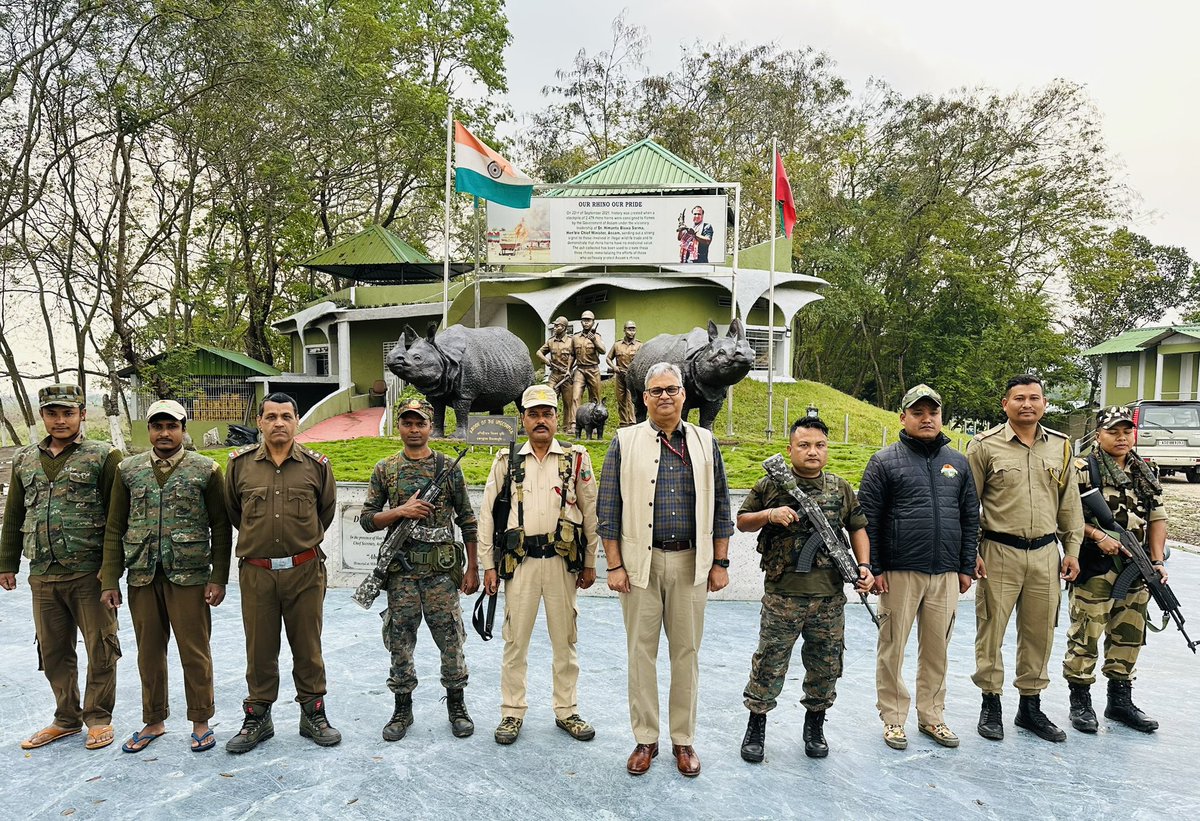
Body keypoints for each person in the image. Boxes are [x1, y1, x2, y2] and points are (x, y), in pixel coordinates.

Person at [598, 362, 734, 777]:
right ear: (644, 398)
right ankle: (645, 739)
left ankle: (683, 740)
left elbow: (722, 505)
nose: (664, 397)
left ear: (684, 395)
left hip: (692, 563)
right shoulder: (624, 442)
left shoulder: (705, 442)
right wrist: (615, 565)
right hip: (640, 565)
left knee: (686, 654)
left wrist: (721, 561)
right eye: (655, 391)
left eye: (671, 390)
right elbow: (608, 510)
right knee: (641, 653)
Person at [735, 416, 873, 762]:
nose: (813, 452)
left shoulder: (839, 487)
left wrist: (865, 567)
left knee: (826, 665)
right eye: (804, 445)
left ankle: (815, 726)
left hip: (828, 599)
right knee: (770, 662)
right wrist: (770, 514)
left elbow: (857, 528)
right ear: (790, 449)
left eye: (820, 445)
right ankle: (756, 726)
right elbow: (742, 521)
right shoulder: (771, 484)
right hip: (783, 596)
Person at [100, 399, 232, 753]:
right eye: (157, 426)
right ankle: (153, 721)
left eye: (172, 426)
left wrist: (218, 577)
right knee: (149, 652)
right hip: (142, 574)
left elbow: (221, 527)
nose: (164, 433)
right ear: (149, 431)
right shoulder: (128, 470)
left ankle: (201, 720)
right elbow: (114, 527)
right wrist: (110, 579)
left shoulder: (205, 470)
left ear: (183, 429)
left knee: (194, 650)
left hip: (188, 576)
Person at [0, 384, 123, 751]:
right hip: (43, 572)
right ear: (42, 416)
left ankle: (98, 717)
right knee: (53, 650)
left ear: (82, 414)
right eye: (52, 413)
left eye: (68, 413)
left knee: (101, 647)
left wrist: (111, 571)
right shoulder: (24, 460)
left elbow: (117, 518)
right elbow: (14, 515)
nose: (60, 420)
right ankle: (65, 717)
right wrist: (6, 562)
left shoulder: (104, 456)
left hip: (90, 572)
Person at [477, 384, 600, 745]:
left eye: (547, 413)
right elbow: (486, 514)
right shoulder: (507, 459)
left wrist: (591, 561)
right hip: (521, 564)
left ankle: (567, 710)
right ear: (524, 420)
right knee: (515, 641)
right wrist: (488, 565)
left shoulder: (576, 458)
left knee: (566, 641)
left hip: (563, 563)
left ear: (556, 418)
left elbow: (591, 513)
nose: (541, 420)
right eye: (534, 414)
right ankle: (512, 712)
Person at [857, 385, 978, 751]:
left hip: (944, 573)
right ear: (903, 417)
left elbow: (970, 516)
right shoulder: (884, 461)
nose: (927, 419)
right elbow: (867, 520)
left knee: (937, 649)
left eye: (933, 413)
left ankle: (932, 716)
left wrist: (965, 566)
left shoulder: (957, 462)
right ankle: (893, 719)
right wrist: (874, 568)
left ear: (941, 417)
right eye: (918, 412)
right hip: (898, 573)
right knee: (892, 647)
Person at [967, 374, 1083, 743]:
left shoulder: (1061, 447)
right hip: (999, 551)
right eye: (1019, 398)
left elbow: (1069, 504)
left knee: (1039, 633)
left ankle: (1030, 707)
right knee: (992, 631)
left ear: (1045, 404)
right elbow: (968, 506)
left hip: (1046, 554)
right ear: (1005, 404)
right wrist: (971, 551)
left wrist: (1072, 551)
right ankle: (991, 703)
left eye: (1035, 397)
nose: (1027, 404)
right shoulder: (984, 447)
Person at [224, 392, 340, 752]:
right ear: (259, 422)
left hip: (304, 571)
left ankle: (313, 714)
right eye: (270, 416)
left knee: (308, 647)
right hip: (257, 573)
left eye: (286, 416)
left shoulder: (317, 466)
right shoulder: (239, 466)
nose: (278, 423)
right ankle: (258, 716)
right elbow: (233, 513)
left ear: (296, 421)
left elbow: (326, 512)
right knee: (259, 649)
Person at [359, 398, 479, 742]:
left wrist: (472, 568)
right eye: (407, 423)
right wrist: (401, 512)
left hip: (441, 574)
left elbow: (467, 520)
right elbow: (368, 519)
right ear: (399, 427)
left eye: (420, 423)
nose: (414, 430)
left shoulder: (448, 467)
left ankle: (456, 705)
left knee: (451, 639)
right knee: (399, 640)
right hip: (402, 573)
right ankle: (402, 707)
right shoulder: (385, 468)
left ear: (430, 427)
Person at [1063, 405, 1167, 734]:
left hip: (1136, 569)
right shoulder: (1082, 469)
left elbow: (1157, 518)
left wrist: (1157, 561)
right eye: (1113, 432)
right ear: (1099, 434)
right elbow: (1063, 517)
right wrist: (1096, 535)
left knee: (1129, 635)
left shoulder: (1145, 470)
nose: (1121, 438)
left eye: (1127, 431)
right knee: (1086, 635)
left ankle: (1119, 701)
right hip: (1095, 567)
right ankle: (1080, 702)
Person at [537, 316, 577, 434]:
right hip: (554, 375)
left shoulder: (571, 341)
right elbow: (539, 352)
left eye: (557, 325)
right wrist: (547, 361)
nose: (555, 328)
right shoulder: (551, 341)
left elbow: (575, 356)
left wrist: (570, 370)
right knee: (548, 398)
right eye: (554, 325)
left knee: (568, 403)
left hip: (567, 375)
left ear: (564, 327)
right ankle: (550, 425)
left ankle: (567, 427)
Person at [606, 321, 643, 427]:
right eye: (629, 329)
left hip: (632, 377)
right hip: (620, 375)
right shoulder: (617, 345)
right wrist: (614, 367)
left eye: (633, 329)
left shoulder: (639, 345)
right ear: (624, 330)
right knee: (620, 399)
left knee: (631, 400)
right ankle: (623, 422)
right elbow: (608, 358)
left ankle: (632, 422)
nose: (631, 332)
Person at [572, 310, 604, 415]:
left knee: (595, 398)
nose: (586, 322)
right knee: (575, 397)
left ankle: (594, 422)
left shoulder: (597, 336)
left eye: (588, 320)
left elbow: (603, 351)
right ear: (581, 322)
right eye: (584, 320)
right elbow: (572, 355)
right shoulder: (575, 337)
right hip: (580, 369)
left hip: (593, 369)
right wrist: (568, 369)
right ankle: (574, 423)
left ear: (593, 322)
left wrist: (594, 340)